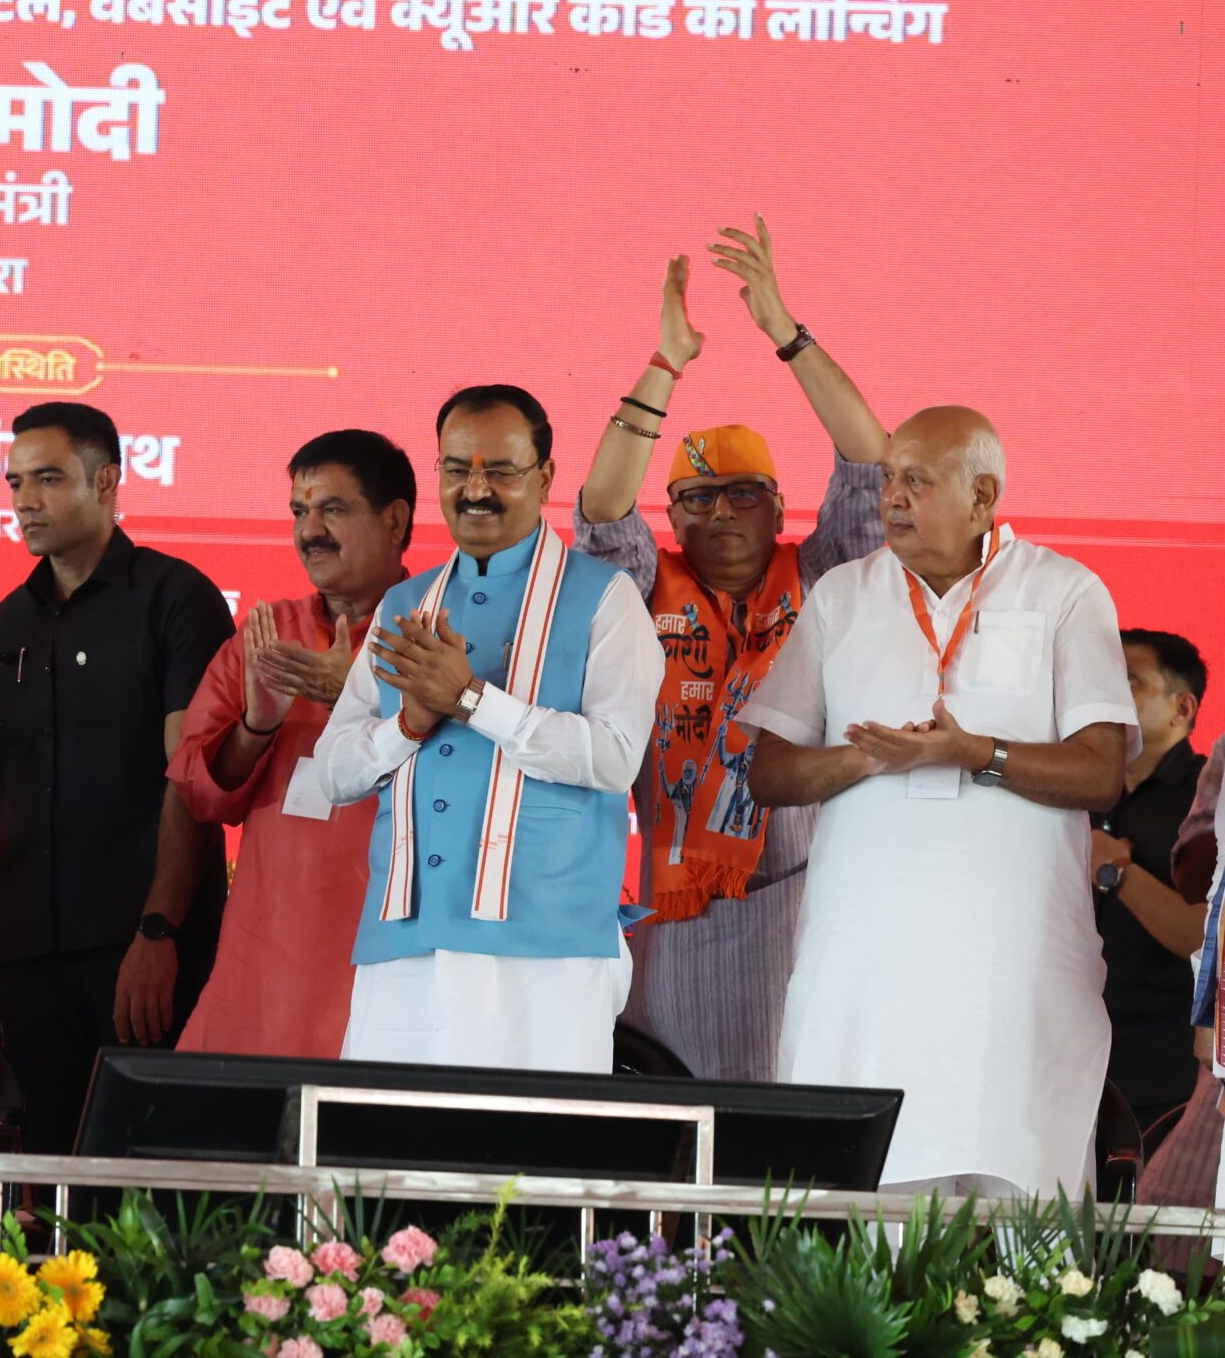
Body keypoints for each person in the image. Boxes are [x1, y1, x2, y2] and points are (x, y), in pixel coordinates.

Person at [747, 407, 1135, 1196]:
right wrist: (868, 758)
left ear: (982, 496)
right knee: (866, 1199)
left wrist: (976, 754)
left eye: (917, 481)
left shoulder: (1064, 590)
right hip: (864, 963)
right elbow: (771, 773)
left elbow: (1101, 775)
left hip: (1015, 961)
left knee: (1026, 1199)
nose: (891, 497)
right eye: (889, 478)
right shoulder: (843, 596)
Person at [572, 225, 887, 1081]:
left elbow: (872, 462)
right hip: (675, 909)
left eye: (742, 492)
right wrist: (665, 364)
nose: (719, 511)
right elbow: (602, 508)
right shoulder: (641, 593)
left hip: (807, 896)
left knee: (801, 1107)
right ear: (673, 517)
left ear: (778, 506)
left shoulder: (823, 575)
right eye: (696, 496)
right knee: (686, 1116)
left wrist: (785, 331)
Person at [318, 385, 663, 1072]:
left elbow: (616, 757)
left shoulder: (606, 596)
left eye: (500, 471)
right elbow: (334, 773)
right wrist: (408, 724)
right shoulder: (403, 604)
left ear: (545, 476)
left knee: (535, 1139)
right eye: (456, 469)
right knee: (388, 1136)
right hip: (406, 946)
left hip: (549, 952)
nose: (475, 490)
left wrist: (471, 699)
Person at [0, 402, 231, 1153]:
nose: (25, 500)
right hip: (28, 963)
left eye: (48, 479)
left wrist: (159, 930)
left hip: (141, 951)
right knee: (45, 1178)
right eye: (16, 482)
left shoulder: (175, 598)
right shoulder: (1, 627)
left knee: (150, 1172)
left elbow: (190, 779)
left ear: (107, 480)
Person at [170, 430, 414, 1058]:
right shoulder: (267, 636)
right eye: (299, 512)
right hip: (267, 958)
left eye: (332, 509)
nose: (310, 531)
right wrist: (257, 727)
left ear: (394, 521)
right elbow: (200, 796)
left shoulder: (433, 636)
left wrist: (355, 697)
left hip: (389, 949)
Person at [1094, 630, 1208, 1134]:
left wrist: (1115, 872)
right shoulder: (1079, 792)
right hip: (1070, 1057)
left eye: (1130, 682)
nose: (1108, 694)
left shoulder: (1209, 801)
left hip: (1168, 1074)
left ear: (1182, 708)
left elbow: (1205, 937)